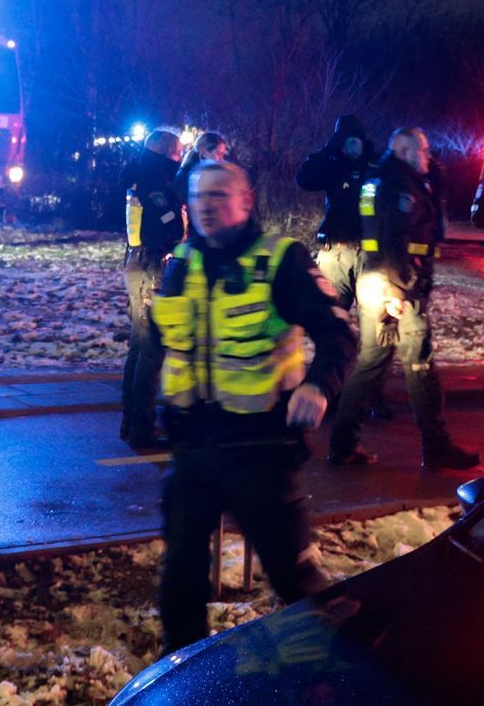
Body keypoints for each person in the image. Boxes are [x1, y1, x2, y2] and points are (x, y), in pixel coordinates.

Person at [150, 161, 356, 654]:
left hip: (259, 450)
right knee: (179, 581)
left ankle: (357, 667)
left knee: (296, 579)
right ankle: (184, 681)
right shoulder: (181, 260)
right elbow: (165, 340)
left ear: (246, 201)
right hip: (193, 450)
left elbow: (338, 333)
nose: (206, 205)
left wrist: (317, 387)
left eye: (219, 194)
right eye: (199, 195)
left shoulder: (280, 260)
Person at [329, 128, 481, 471]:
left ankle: (341, 444)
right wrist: (399, 290)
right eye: (423, 150)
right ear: (403, 150)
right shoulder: (400, 186)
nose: (428, 155)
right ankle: (437, 447)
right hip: (395, 286)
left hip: (377, 281)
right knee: (420, 365)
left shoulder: (382, 179)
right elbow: (394, 239)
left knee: (371, 364)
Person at [294, 115, 389, 419]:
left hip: (369, 256)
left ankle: (370, 396)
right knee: (332, 327)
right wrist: (329, 149)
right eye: (344, 141)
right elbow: (304, 178)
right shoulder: (331, 163)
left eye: (354, 141)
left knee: (376, 329)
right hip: (335, 252)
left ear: (363, 141)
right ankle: (330, 392)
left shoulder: (376, 164)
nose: (351, 147)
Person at [119, 129, 187, 448]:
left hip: (137, 261)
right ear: (167, 153)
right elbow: (169, 225)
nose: (180, 158)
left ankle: (131, 421)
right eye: (177, 152)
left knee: (138, 346)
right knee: (151, 348)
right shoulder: (155, 181)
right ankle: (142, 429)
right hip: (151, 265)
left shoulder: (138, 174)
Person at [174, 131, 228, 201]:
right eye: (218, 154)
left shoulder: (210, 177)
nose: (222, 160)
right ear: (203, 152)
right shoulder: (185, 177)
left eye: (223, 155)